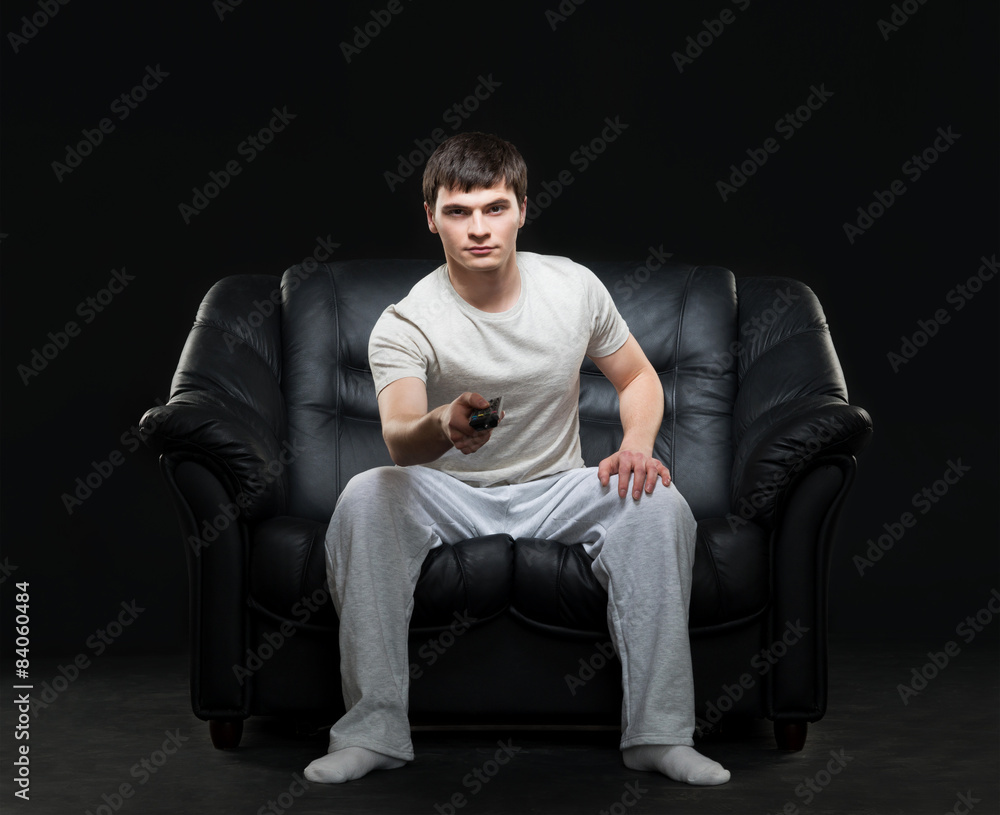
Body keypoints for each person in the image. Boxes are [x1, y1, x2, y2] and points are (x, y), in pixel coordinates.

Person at [304, 132, 730, 787]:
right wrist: (445, 425)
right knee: (368, 492)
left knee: (658, 501)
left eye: (494, 208)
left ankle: (659, 734)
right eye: (458, 211)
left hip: (558, 486)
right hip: (449, 491)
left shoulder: (573, 288)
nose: (478, 228)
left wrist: (636, 446)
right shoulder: (406, 321)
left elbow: (640, 379)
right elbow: (398, 436)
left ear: (522, 209)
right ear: (431, 218)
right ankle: (372, 732)